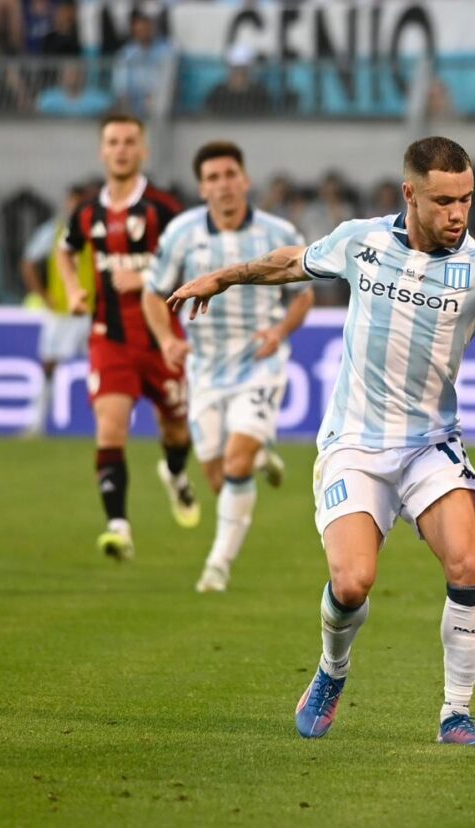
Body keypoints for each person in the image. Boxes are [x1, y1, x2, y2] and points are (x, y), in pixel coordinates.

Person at [167, 137, 475, 746]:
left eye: (467, 199)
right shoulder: (362, 241)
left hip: (429, 445)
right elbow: (290, 263)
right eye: (444, 201)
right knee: (353, 582)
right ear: (409, 194)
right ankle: (332, 671)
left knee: (469, 566)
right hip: (354, 444)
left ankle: (456, 714)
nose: (458, 214)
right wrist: (224, 278)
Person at [143, 141, 314, 593]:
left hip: (259, 363)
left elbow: (304, 295)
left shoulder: (278, 231)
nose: (223, 185)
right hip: (205, 370)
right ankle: (259, 453)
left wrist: (280, 333)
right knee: (220, 479)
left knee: (235, 465)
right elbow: (151, 292)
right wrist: (166, 341)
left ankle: (217, 565)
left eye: (229, 175)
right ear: (202, 188)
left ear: (245, 180)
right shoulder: (181, 233)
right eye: (213, 178)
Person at [57, 113, 198, 562]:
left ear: (143, 151)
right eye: (113, 142)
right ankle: (118, 527)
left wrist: (147, 280)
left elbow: (194, 262)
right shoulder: (86, 212)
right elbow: (65, 251)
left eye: (129, 142)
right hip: (110, 340)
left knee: (176, 431)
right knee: (110, 427)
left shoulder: (164, 208)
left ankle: (175, 473)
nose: (120, 149)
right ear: (103, 151)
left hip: (163, 340)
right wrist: (76, 289)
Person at [20, 182, 96, 436]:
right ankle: (36, 424)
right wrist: (43, 295)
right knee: (49, 365)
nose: (75, 207)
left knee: (102, 366)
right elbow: (28, 262)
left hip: (92, 312)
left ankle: (107, 424)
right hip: (61, 313)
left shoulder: (98, 230)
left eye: (81, 203)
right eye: (73, 202)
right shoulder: (54, 231)